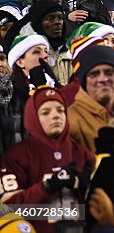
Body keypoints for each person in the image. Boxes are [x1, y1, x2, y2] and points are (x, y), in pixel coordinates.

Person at [0, 86, 92, 228]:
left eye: (60, 110)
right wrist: (47, 186)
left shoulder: (81, 152)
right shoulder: (17, 156)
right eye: (45, 112)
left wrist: (88, 190)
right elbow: (9, 208)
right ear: (33, 117)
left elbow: (103, 209)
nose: (55, 115)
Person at [67, 45, 114, 153]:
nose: (103, 79)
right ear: (84, 81)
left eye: (108, 72)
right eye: (94, 74)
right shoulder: (71, 120)